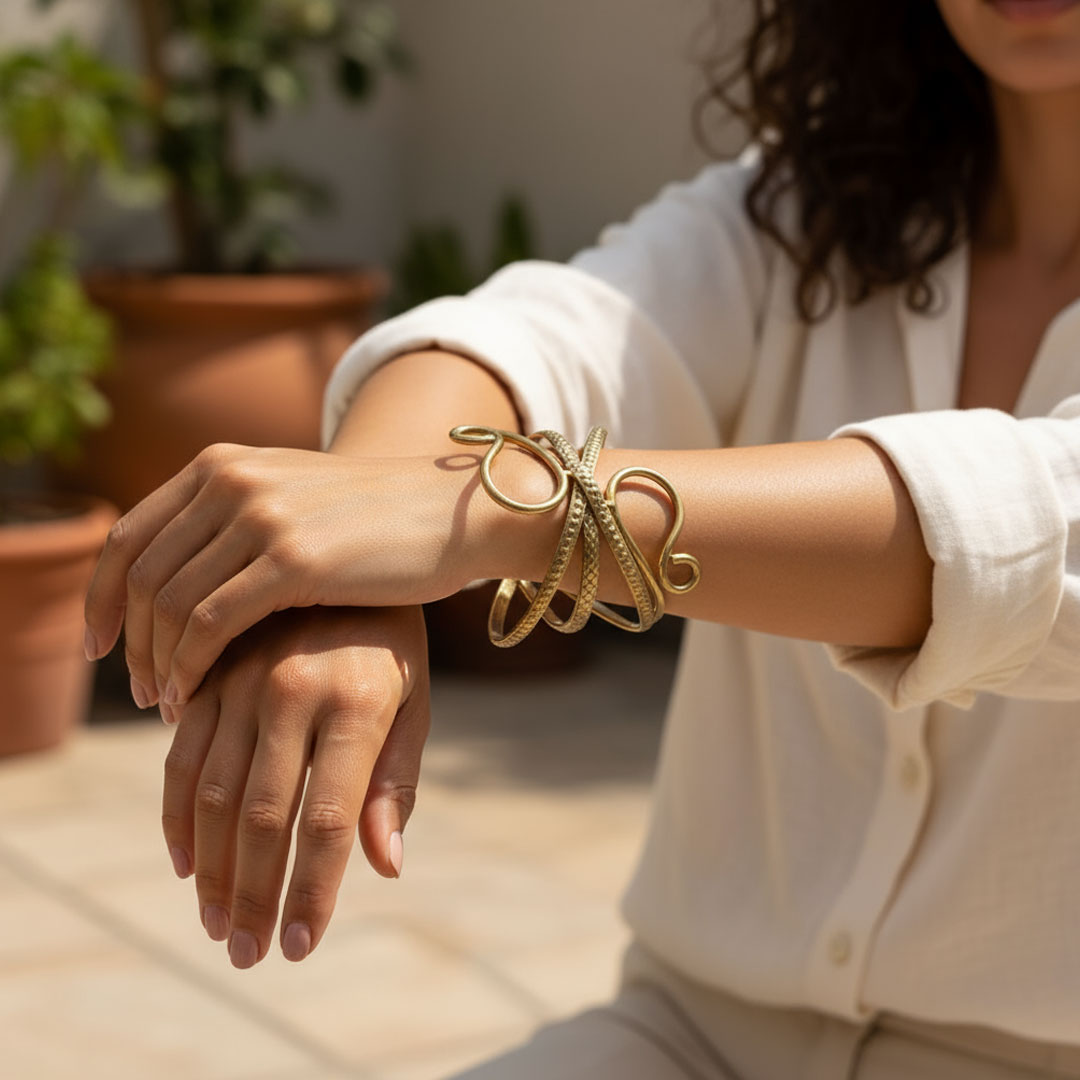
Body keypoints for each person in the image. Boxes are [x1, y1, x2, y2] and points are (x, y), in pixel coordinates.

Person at [83, 0, 1080, 1075]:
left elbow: (1022, 531)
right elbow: (544, 336)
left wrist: (476, 516)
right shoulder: (810, 201)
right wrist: (347, 582)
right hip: (691, 1034)